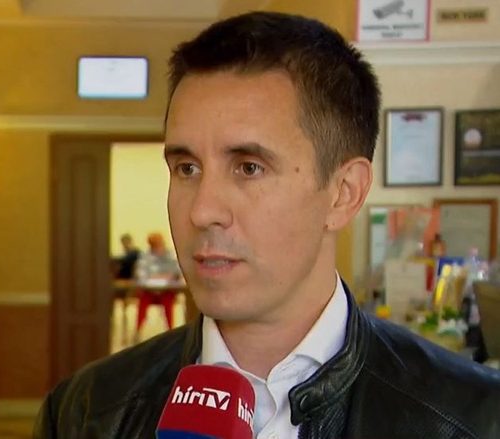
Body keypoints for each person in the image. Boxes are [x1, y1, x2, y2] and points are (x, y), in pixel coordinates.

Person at [34, 11, 500, 438]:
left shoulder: (474, 419)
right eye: (187, 168)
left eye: (249, 167)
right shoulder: (85, 413)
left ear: (344, 193)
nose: (202, 211)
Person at [134, 232, 181, 334]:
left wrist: (169, 276)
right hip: (149, 291)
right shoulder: (145, 256)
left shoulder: (170, 255)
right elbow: (140, 274)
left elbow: (177, 272)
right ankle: (137, 331)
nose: (159, 247)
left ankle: (171, 331)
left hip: (166, 290)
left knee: (168, 302)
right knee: (142, 301)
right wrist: (158, 277)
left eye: (160, 244)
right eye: (155, 245)